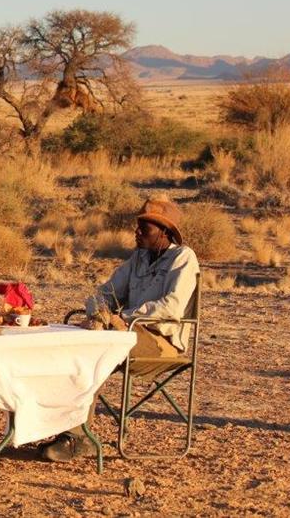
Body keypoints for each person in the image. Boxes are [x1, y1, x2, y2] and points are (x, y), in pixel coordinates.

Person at [39, 197, 200, 462]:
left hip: (162, 343)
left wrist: (123, 317)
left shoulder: (183, 257)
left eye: (144, 228)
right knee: (80, 346)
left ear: (165, 232)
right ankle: (69, 431)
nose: (136, 232)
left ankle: (77, 435)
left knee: (99, 345)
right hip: (126, 335)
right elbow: (106, 293)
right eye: (137, 226)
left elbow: (172, 306)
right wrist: (101, 312)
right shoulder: (138, 258)